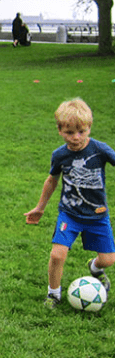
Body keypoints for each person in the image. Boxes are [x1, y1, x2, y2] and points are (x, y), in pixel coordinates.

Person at [24, 98, 115, 309]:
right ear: (60, 131)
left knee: (109, 260)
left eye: (81, 132)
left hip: (97, 215)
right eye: (70, 132)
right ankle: (53, 295)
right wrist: (40, 207)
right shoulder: (60, 155)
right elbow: (52, 180)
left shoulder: (100, 150)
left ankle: (95, 268)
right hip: (70, 214)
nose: (76, 138)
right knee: (57, 254)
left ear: (89, 128)